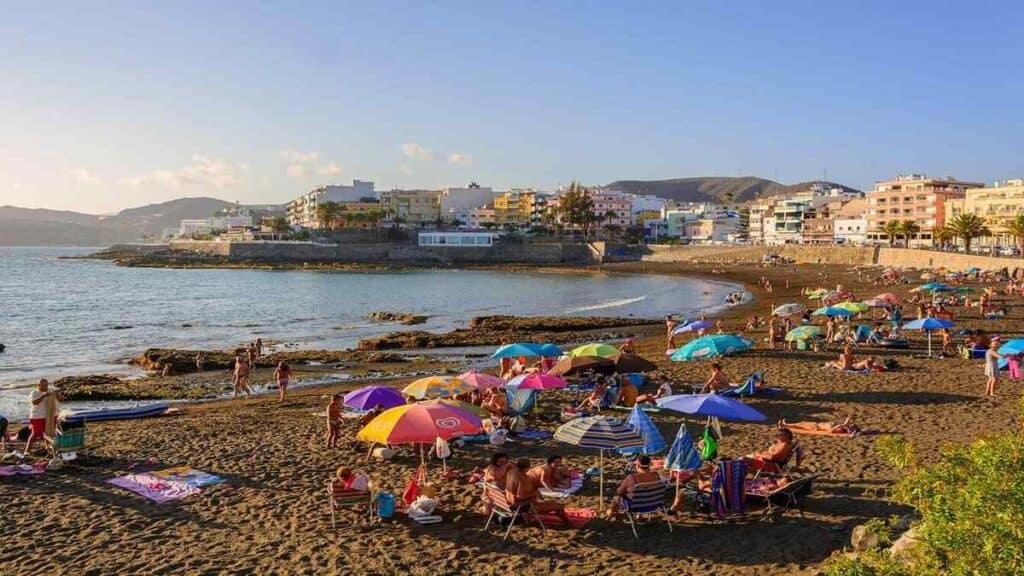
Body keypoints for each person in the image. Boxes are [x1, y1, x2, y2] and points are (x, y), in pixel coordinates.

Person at [506, 458, 569, 524]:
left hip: (510, 502)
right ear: (528, 467)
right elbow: (520, 496)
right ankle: (567, 523)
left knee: (550, 502)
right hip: (522, 506)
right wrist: (535, 493)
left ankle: (528, 518)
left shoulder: (511, 472)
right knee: (560, 506)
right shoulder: (523, 478)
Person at [26, 378, 62, 454]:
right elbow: (34, 402)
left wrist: (57, 394)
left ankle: (48, 447)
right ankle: (27, 450)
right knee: (35, 433)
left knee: (49, 432)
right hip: (37, 416)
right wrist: (44, 395)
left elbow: (61, 399)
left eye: (46, 385)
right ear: (38, 385)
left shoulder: (50, 391)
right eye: (42, 385)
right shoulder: (34, 392)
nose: (45, 387)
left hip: (51, 414)